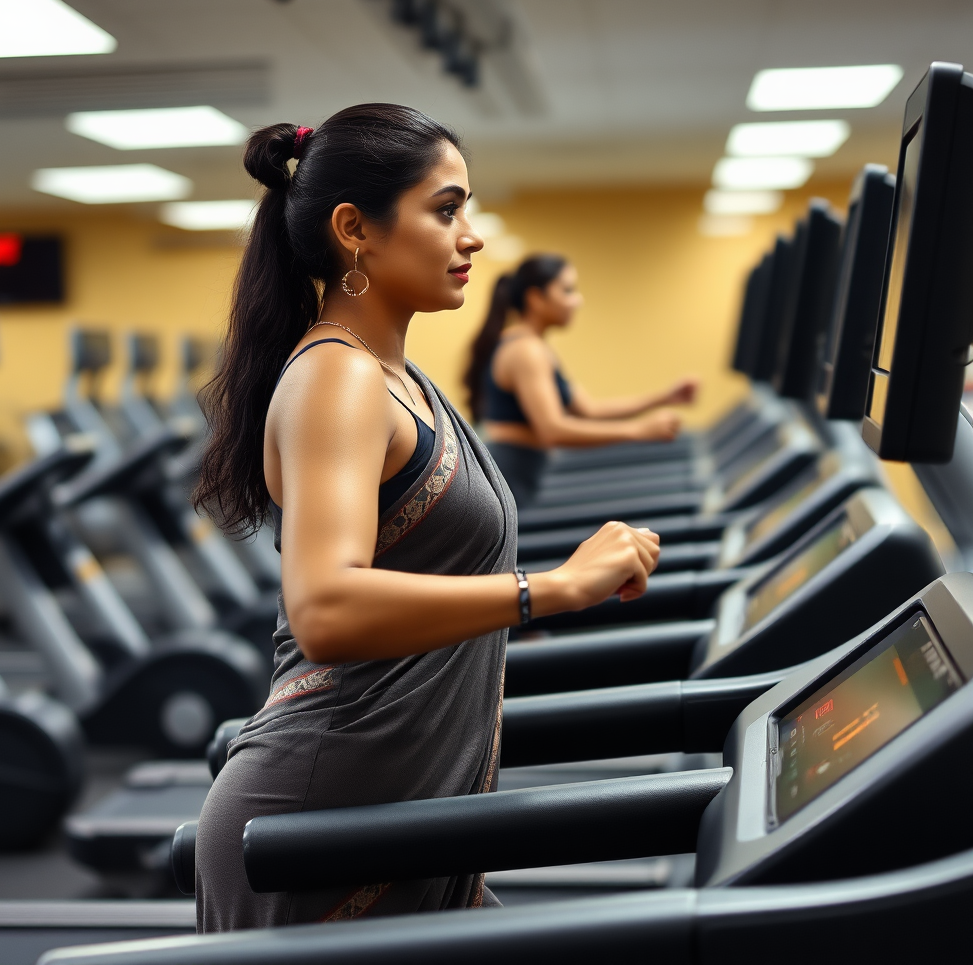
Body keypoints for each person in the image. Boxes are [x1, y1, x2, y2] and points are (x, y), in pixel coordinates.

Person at [192, 104, 662, 931]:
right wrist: (549, 590)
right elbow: (327, 608)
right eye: (446, 210)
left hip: (397, 809)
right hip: (320, 818)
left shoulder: (398, 377)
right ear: (355, 230)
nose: (472, 236)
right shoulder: (336, 378)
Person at [463, 255, 700, 508]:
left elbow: (590, 409)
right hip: (509, 469)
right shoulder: (526, 351)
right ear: (535, 299)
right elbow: (553, 430)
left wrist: (664, 397)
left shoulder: (534, 346)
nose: (578, 300)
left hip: (522, 467)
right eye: (567, 291)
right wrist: (638, 430)